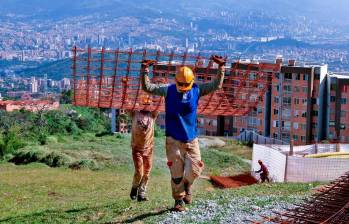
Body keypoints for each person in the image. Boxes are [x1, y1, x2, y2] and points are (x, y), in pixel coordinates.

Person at [141, 55, 226, 211]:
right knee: (176, 172)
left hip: (191, 139)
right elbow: (148, 87)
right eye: (181, 83)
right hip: (173, 140)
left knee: (195, 169)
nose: (184, 86)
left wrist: (221, 68)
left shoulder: (197, 90)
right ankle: (178, 201)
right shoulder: (168, 90)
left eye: (186, 84)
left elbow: (216, 85)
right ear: (176, 81)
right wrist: (145, 70)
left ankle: (188, 186)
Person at [128, 99, 159, 202]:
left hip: (149, 149)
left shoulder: (152, 115)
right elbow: (126, 103)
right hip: (137, 148)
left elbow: (160, 104)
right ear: (140, 104)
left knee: (147, 173)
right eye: (144, 103)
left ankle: (142, 194)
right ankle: (134, 187)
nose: (146, 106)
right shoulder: (134, 114)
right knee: (139, 172)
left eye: (148, 104)